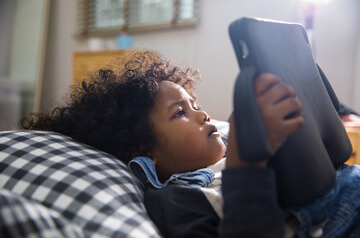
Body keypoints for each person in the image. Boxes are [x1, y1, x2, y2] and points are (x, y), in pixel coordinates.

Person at [20, 51, 360, 237]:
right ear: (144, 151)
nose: (203, 116)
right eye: (180, 112)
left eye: (195, 105)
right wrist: (246, 167)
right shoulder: (176, 201)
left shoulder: (217, 162)